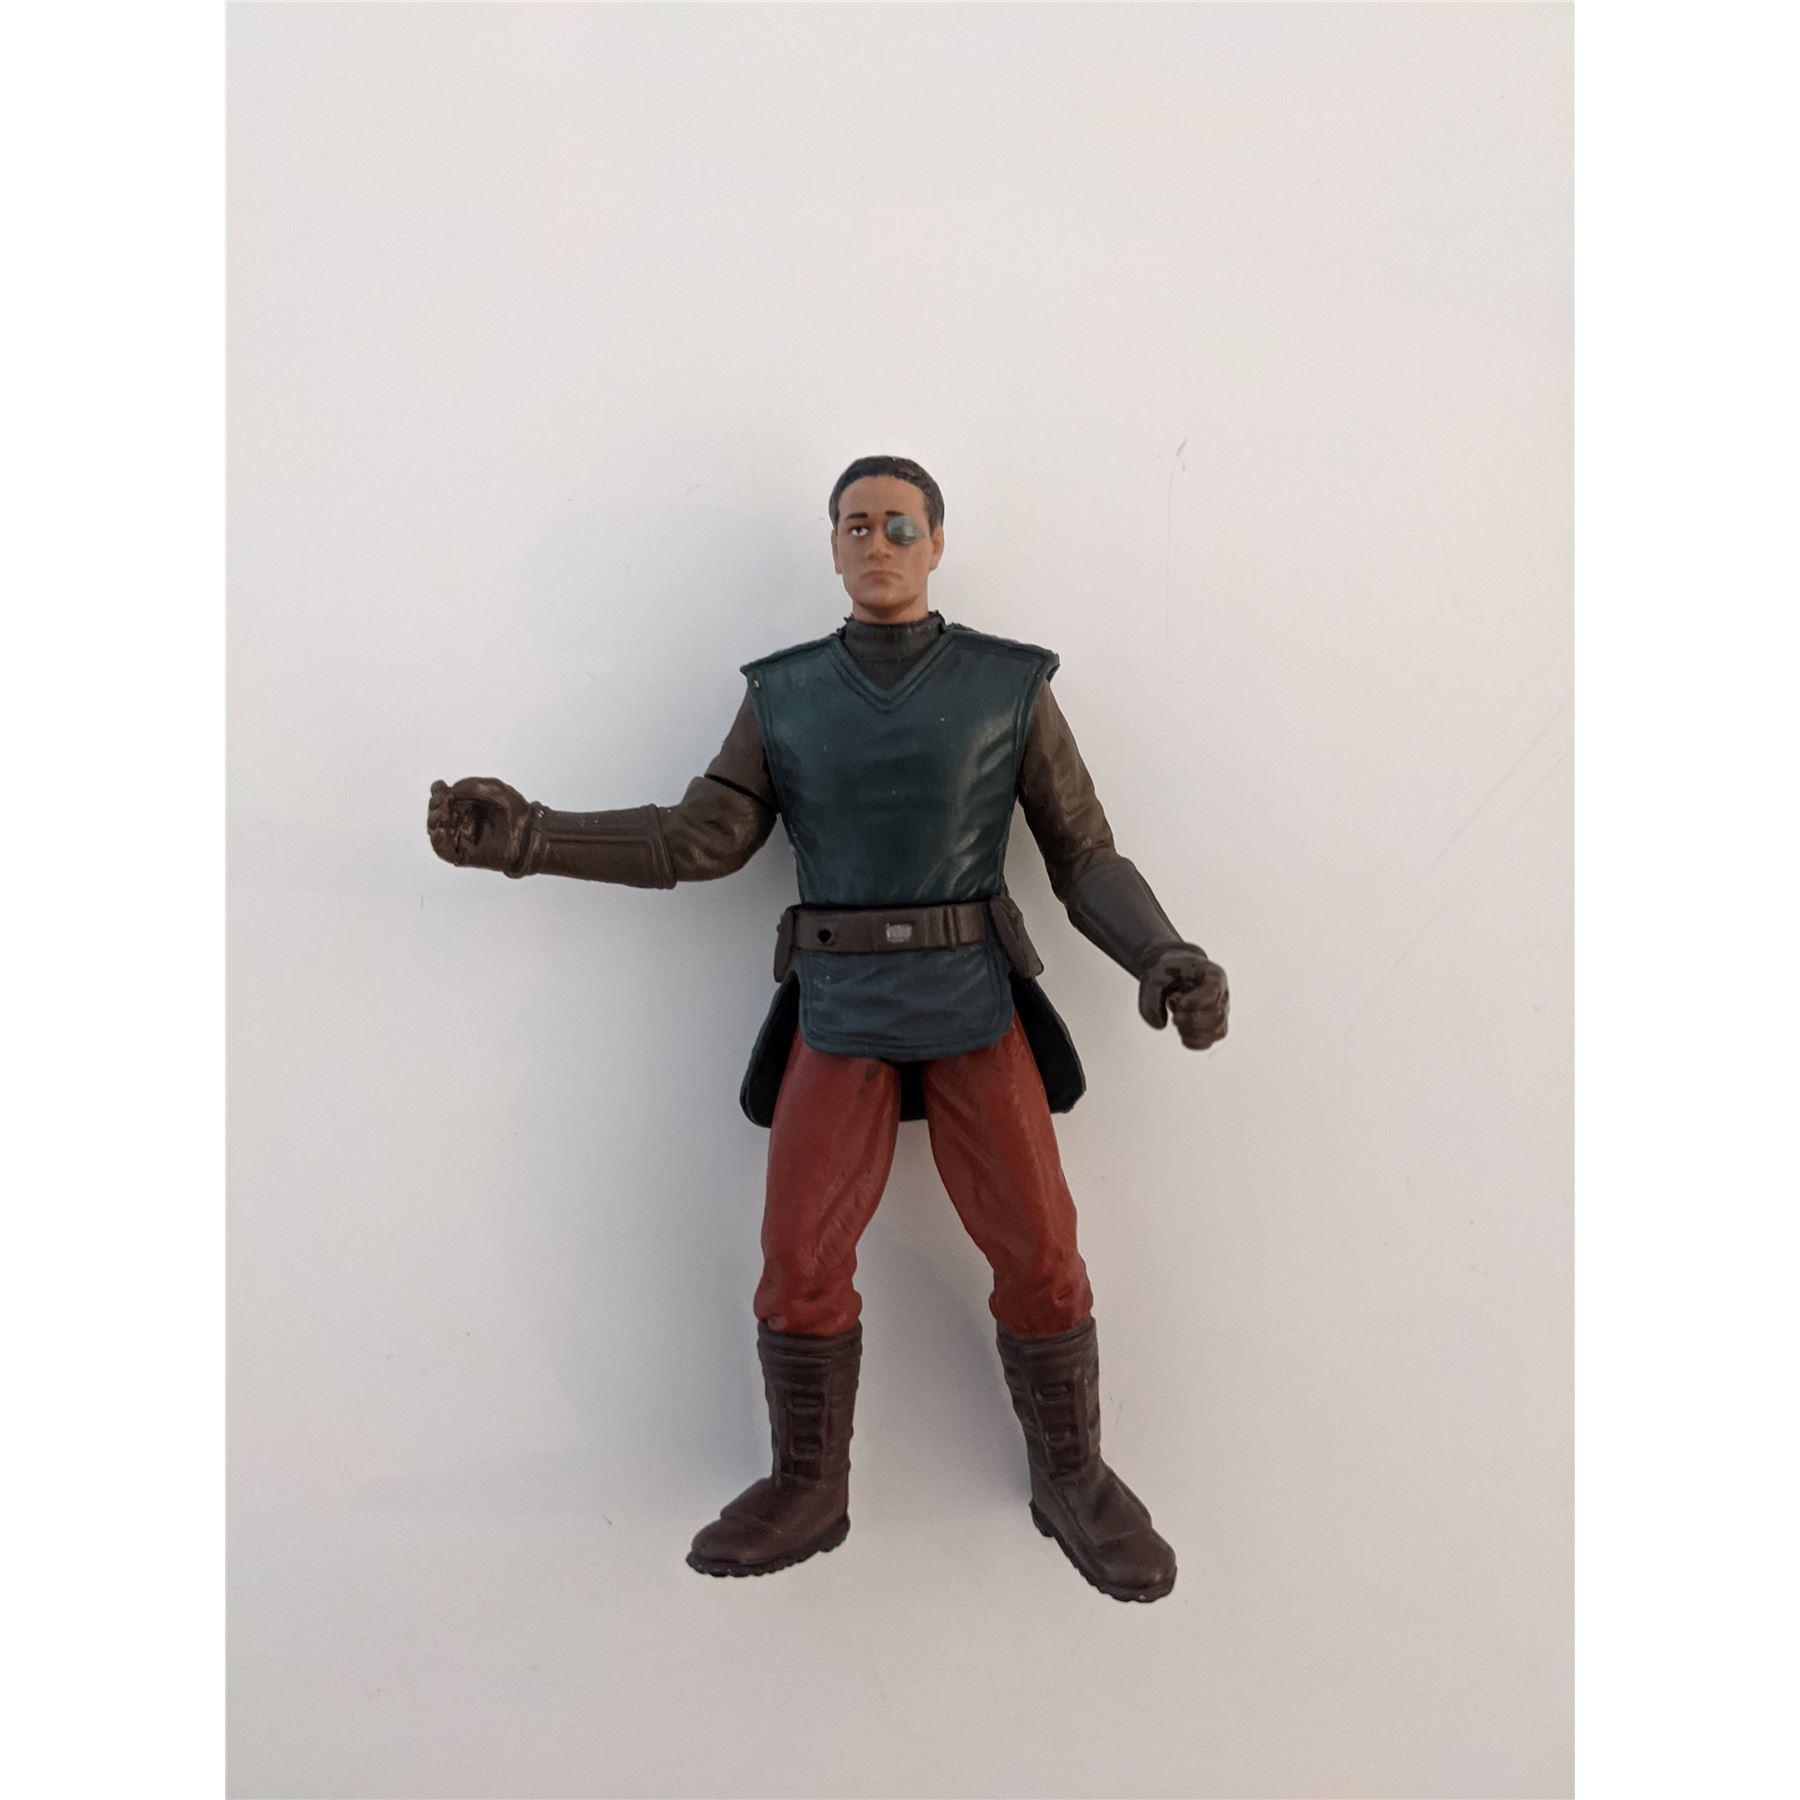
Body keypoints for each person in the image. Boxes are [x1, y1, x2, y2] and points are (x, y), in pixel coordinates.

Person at [427, 454, 1228, 1602]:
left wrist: (1161, 952)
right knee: (800, 1257)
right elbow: (699, 838)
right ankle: (808, 1484)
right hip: (840, 1002)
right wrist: (532, 836)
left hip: (971, 996)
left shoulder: (1008, 685)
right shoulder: (786, 694)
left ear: (937, 542)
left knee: (1042, 1252)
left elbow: (1084, 855)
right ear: (834, 545)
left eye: (901, 524)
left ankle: (1074, 1476)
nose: (879, 543)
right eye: (857, 525)